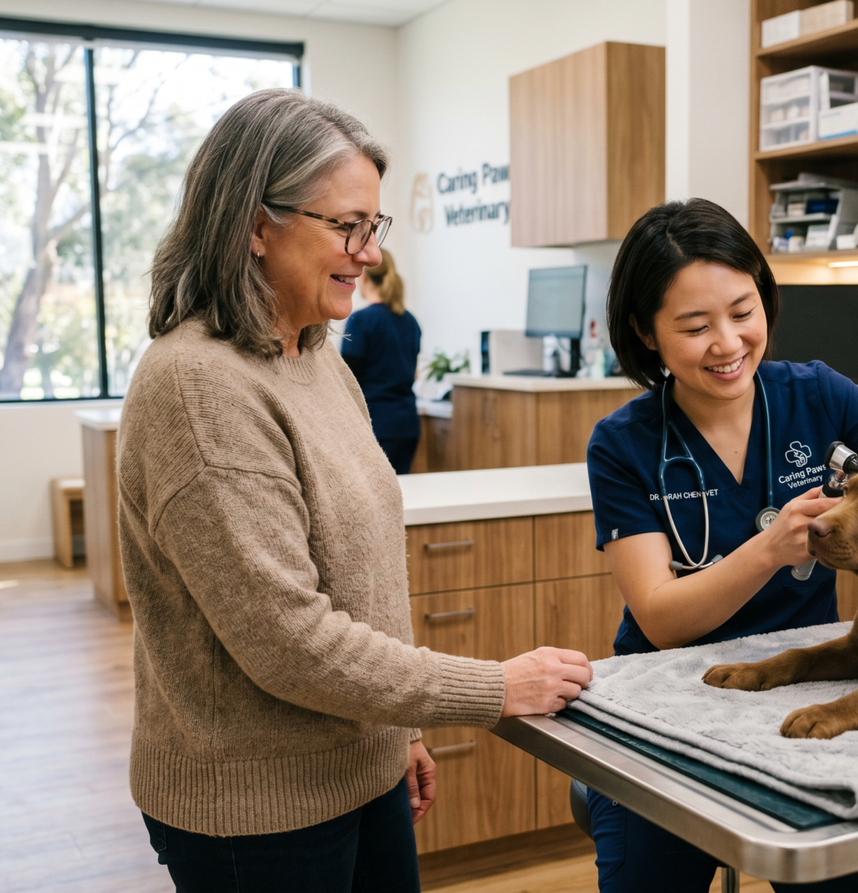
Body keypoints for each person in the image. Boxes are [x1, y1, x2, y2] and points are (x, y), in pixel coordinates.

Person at [119, 89, 592, 893]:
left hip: (358, 768)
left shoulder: (314, 353)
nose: (369, 253)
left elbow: (364, 572)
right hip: (258, 806)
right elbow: (287, 639)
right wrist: (492, 689)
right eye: (346, 225)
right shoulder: (198, 386)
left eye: (373, 227)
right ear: (255, 224)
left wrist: (397, 726)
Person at [583, 199, 858, 893]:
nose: (728, 342)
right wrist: (768, 548)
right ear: (646, 333)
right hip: (671, 702)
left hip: (814, 681)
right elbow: (661, 618)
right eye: (696, 326)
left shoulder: (820, 395)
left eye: (742, 310)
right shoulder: (622, 443)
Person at [341, 249, 422, 473]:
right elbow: (412, 372)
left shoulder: (361, 320)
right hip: (407, 425)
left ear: (364, 277)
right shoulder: (410, 321)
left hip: (376, 425)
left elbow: (347, 380)